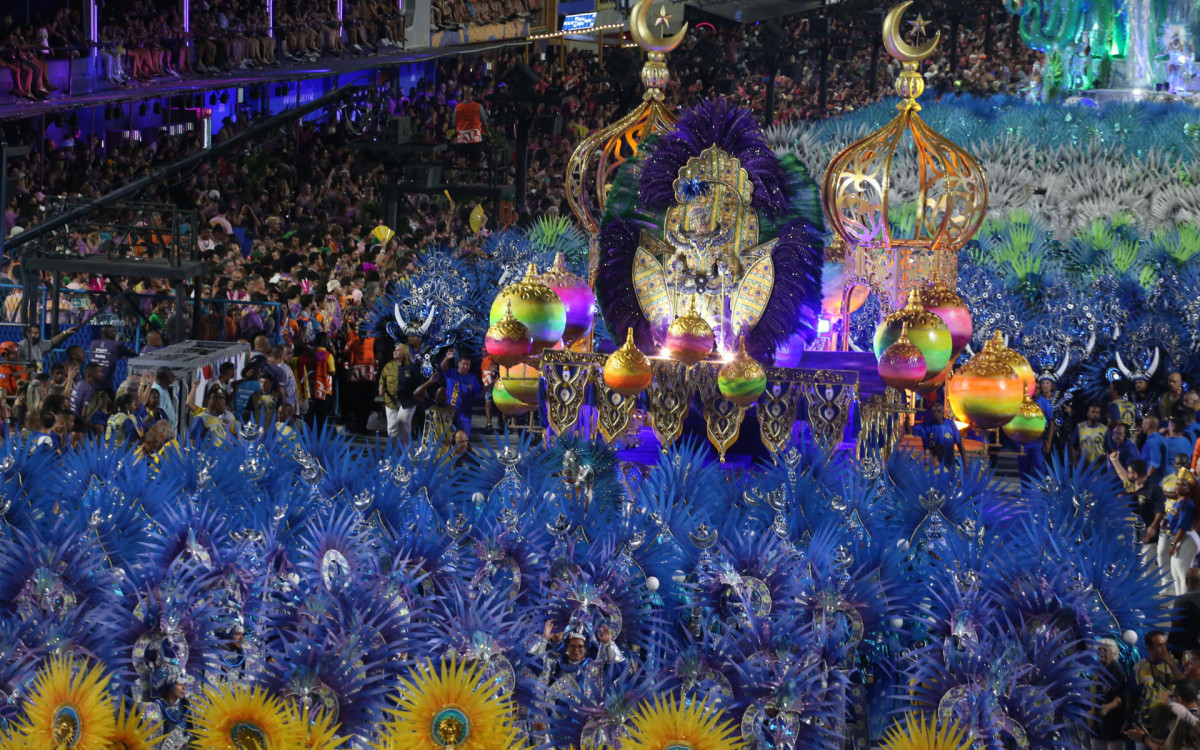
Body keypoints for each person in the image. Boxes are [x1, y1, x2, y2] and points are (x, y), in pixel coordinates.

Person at [1129, 631, 1185, 749]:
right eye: (1159, 645)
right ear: (1149, 647)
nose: (1163, 649)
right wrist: (1130, 720)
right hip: (1145, 723)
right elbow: (1132, 697)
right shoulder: (1139, 668)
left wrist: (1170, 662)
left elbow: (1184, 685)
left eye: (1164, 645)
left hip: (1171, 723)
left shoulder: (1174, 664)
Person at [378, 344, 422, 448]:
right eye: (394, 350)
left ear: (405, 352)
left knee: (403, 424)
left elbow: (420, 383)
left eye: (398, 350)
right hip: (391, 400)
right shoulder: (388, 366)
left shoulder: (412, 367)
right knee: (392, 427)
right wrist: (381, 388)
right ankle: (393, 451)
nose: (395, 351)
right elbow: (382, 379)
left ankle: (405, 452)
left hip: (408, 401)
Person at [1091, 638, 1127, 750]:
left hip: (1113, 721)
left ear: (1112, 653)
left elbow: (1122, 695)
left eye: (1105, 650)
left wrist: (1108, 707)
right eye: (1099, 649)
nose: (1101, 652)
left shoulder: (1117, 671)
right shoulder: (1098, 670)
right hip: (1098, 722)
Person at [912, 403, 967, 470]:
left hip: (948, 467)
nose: (936, 414)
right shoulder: (925, 426)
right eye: (934, 411)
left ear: (943, 412)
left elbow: (960, 445)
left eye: (939, 411)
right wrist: (907, 419)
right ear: (931, 413)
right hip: (931, 469)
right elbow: (910, 431)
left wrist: (965, 466)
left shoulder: (951, 425)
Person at [440, 349, 481, 437]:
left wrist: (493, 384)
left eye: (468, 364)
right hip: (449, 411)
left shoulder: (472, 378)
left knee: (463, 438)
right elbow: (443, 368)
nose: (465, 366)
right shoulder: (451, 373)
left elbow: (480, 390)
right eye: (463, 364)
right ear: (459, 364)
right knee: (448, 437)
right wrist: (447, 358)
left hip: (465, 414)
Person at [87, 325, 138, 392]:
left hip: (91, 382)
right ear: (111, 334)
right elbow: (132, 354)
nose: (116, 334)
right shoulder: (116, 345)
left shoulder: (93, 343)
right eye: (114, 332)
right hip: (105, 385)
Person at [17, 322, 82, 372]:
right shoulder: (21, 345)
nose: (33, 335)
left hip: (37, 377)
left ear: (39, 334)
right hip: (24, 375)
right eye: (31, 333)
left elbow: (53, 341)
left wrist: (65, 333)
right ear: (27, 333)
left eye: (35, 333)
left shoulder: (41, 344)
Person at [1170, 568, 1200, 655]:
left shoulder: (1182, 601)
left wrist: (1171, 648)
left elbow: (1176, 626)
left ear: (1186, 581)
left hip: (1188, 653)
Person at [151, 366, 178, 431]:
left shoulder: (163, 389)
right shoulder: (157, 391)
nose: (173, 376)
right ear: (165, 376)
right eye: (171, 375)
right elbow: (158, 414)